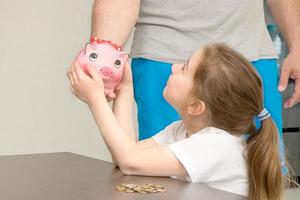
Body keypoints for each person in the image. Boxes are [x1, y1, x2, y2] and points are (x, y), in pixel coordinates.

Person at [67, 43, 293, 199]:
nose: (174, 67)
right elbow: (125, 156)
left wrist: (96, 99)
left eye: (184, 68)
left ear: (196, 106)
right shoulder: (182, 130)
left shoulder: (216, 147)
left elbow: (131, 161)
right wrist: (125, 90)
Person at [88, 0, 300, 141]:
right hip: (167, 59)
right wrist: (102, 60)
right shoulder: (176, 74)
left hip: (249, 57)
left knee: (260, 181)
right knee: (167, 183)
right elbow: (132, 161)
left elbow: (128, 158)